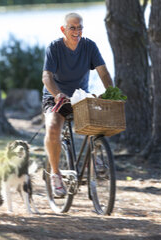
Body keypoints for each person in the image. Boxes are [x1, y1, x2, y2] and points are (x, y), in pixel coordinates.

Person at [42, 12, 113, 197]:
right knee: (53, 128)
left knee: (97, 122)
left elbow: (103, 73)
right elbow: (46, 76)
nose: (76, 31)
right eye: (72, 27)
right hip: (56, 97)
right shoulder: (54, 47)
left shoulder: (89, 46)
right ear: (63, 29)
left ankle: (95, 156)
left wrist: (112, 92)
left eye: (79, 27)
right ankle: (55, 174)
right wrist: (57, 94)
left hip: (80, 97)